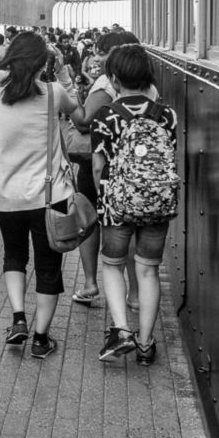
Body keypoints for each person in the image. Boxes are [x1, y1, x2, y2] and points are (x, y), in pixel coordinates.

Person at [0, 32, 85, 360]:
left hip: (8, 197)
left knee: (14, 256)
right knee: (48, 266)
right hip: (49, 198)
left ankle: (18, 319)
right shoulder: (54, 94)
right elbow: (81, 117)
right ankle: (41, 338)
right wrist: (66, 75)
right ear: (44, 62)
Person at [90, 44, 177, 365]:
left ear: (114, 78)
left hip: (116, 204)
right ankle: (145, 343)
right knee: (148, 270)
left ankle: (122, 331)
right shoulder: (167, 114)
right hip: (156, 202)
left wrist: (103, 201)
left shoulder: (105, 115)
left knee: (113, 265)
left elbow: (98, 166)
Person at [68, 31, 144, 308]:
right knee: (132, 229)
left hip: (99, 164)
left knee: (89, 221)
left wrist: (73, 100)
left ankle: (91, 284)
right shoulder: (149, 86)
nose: (97, 58)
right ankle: (134, 292)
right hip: (134, 167)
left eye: (101, 52)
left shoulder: (105, 82)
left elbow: (85, 122)